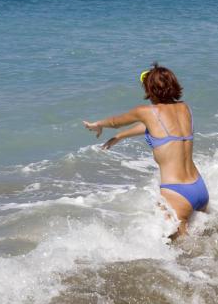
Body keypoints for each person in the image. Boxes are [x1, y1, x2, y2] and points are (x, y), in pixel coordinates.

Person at [83, 63, 209, 240]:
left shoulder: (145, 112)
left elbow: (115, 121)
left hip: (176, 193)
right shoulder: (184, 108)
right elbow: (157, 129)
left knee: (175, 250)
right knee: (201, 242)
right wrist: (120, 136)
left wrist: (97, 125)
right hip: (199, 187)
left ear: (150, 89)